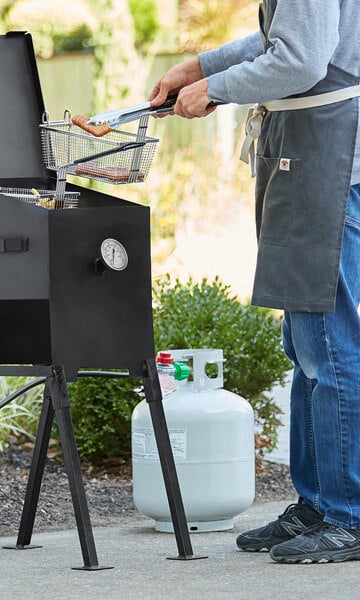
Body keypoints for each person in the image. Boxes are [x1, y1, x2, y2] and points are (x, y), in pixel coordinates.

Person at [148, 0, 360, 564]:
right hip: (314, 154)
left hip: (331, 162)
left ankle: (348, 515)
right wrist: (200, 67)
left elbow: (301, 60)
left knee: (329, 346)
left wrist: (215, 88)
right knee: (307, 345)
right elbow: (282, 41)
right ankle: (318, 506)